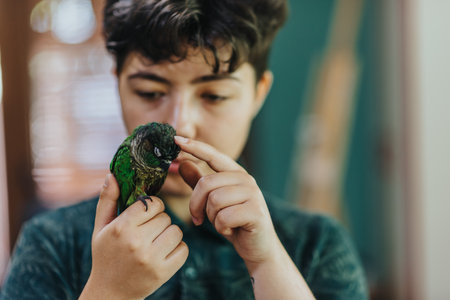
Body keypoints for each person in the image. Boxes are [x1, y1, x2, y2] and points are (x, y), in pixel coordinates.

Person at [1, 0, 368, 299]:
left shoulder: (317, 246)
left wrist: (267, 263)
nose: (181, 125)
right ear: (118, 86)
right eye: (150, 92)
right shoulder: (51, 245)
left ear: (259, 93)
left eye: (214, 95)